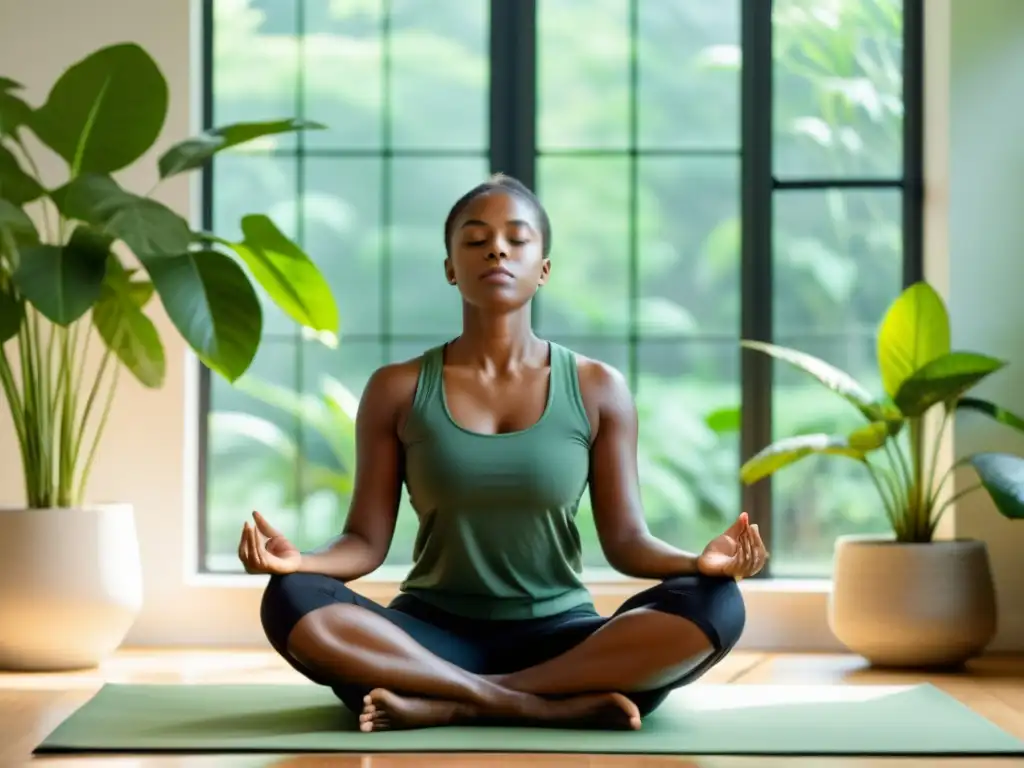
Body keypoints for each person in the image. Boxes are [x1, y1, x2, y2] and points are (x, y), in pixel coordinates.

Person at [238, 173, 769, 734]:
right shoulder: (396, 388)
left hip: (560, 638)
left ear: (543, 268)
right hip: (430, 634)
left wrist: (699, 565)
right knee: (290, 599)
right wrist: (299, 564)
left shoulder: (597, 388)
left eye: (517, 239)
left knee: (716, 605)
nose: (497, 248)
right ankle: (542, 705)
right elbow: (365, 543)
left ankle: (453, 702)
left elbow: (627, 543)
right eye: (475, 239)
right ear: (450, 266)